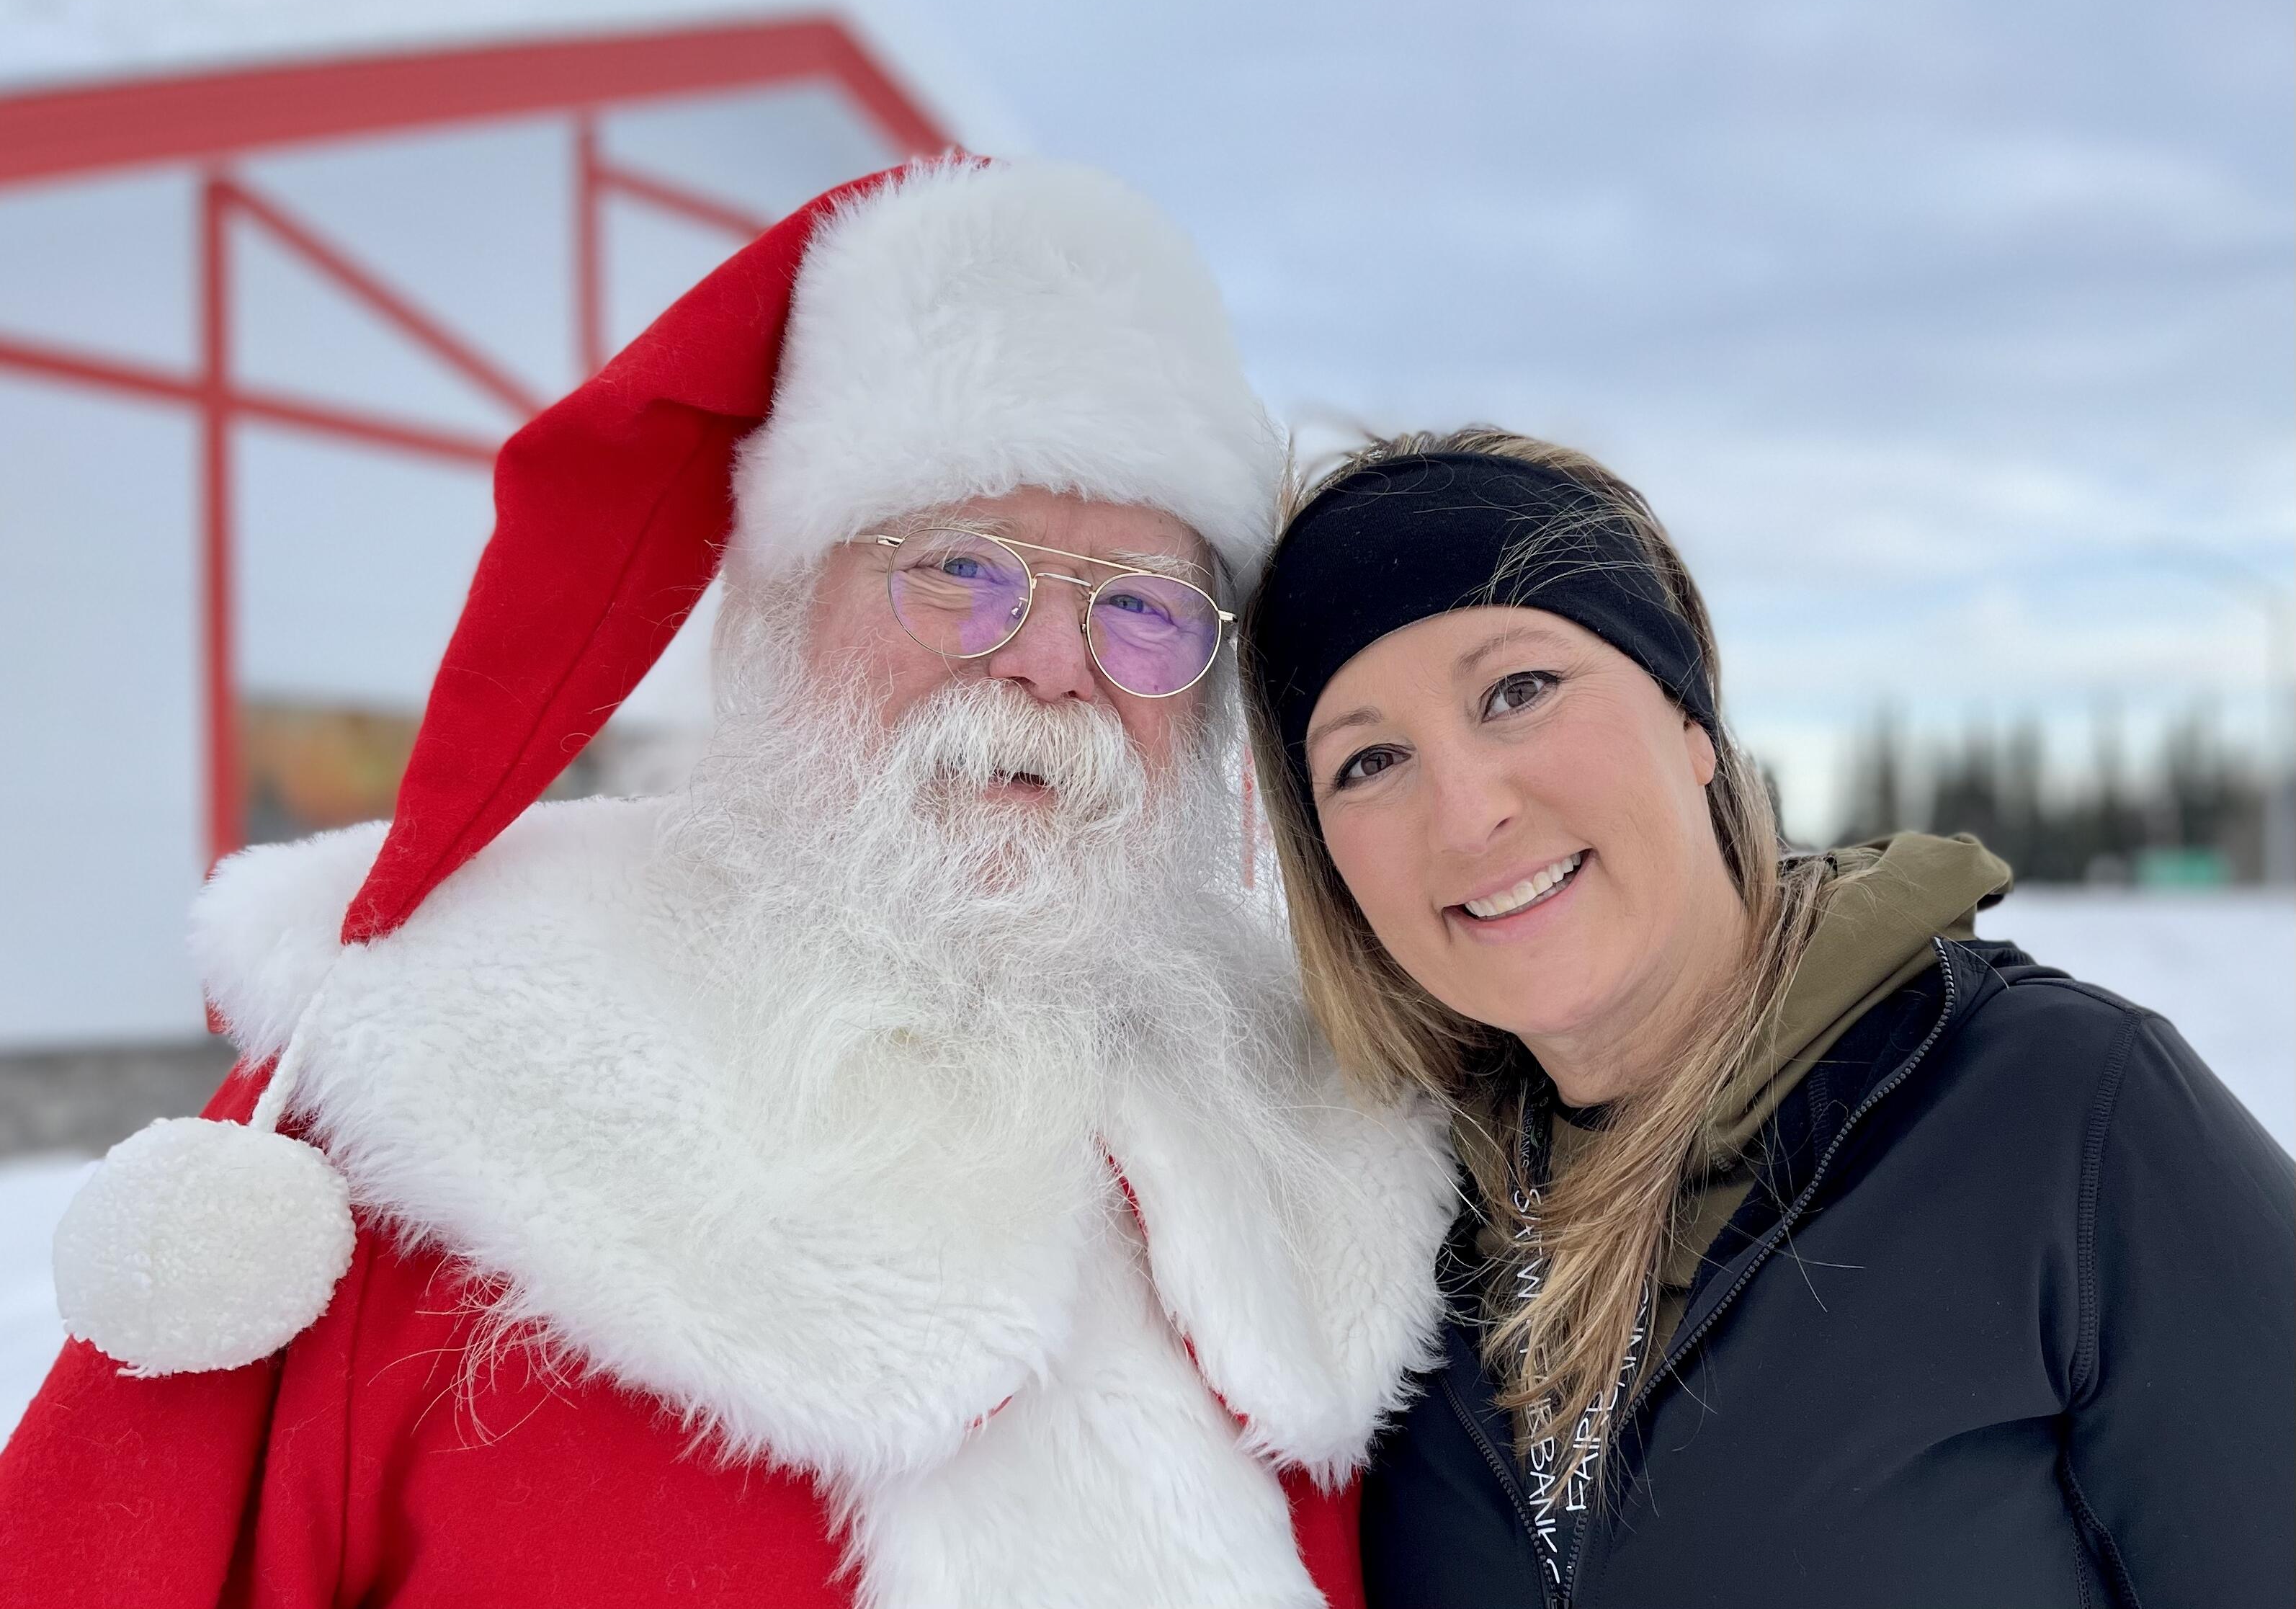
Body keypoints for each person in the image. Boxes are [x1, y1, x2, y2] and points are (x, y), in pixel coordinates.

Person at [0, 160, 1458, 1608]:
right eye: (960, 568)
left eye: (1140, 610)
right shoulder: (405, 1109)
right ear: (775, 617)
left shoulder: (1338, 1133)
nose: (1052, 661)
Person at [1241, 426, 2295, 1609]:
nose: (1468, 809)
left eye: (1519, 690)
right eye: (1369, 760)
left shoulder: (2067, 1123)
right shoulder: (1390, 1252)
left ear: (1689, 717)